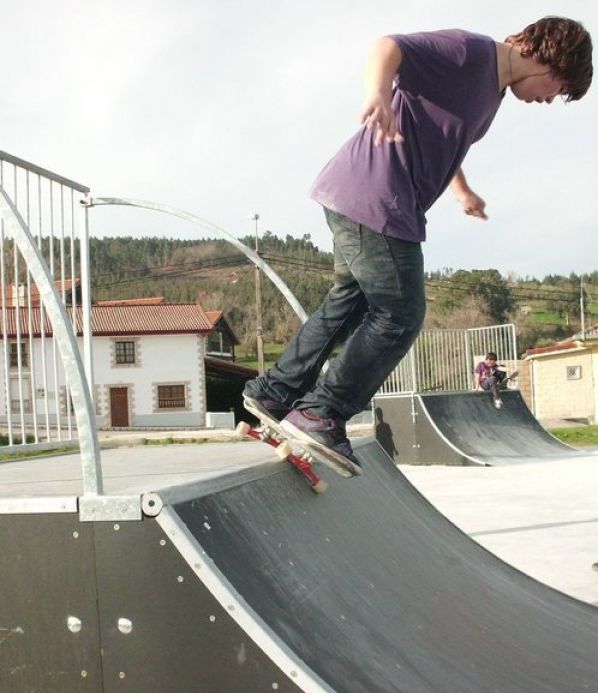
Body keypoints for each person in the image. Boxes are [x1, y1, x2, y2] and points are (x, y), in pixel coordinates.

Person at [244, 16, 593, 466]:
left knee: (349, 302)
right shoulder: (469, 52)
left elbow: (446, 138)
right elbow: (387, 46)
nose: (548, 100)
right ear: (544, 57)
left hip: (361, 195)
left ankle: (275, 393)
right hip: (377, 196)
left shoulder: (493, 91)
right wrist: (376, 94)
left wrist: (460, 188)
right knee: (401, 312)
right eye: (556, 88)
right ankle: (321, 412)